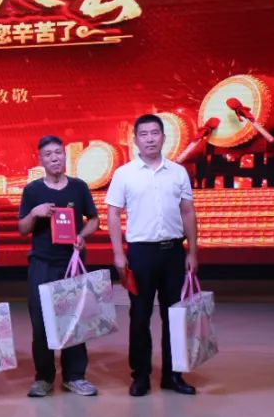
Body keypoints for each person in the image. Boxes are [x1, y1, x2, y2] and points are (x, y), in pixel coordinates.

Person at [106, 114, 199, 397]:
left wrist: (192, 252)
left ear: (163, 137)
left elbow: (188, 212)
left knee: (175, 316)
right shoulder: (124, 174)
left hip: (173, 253)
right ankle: (141, 376)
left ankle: (173, 375)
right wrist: (118, 253)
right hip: (140, 254)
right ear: (135, 140)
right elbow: (113, 214)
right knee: (140, 316)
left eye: (155, 133)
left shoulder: (178, 172)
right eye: (144, 134)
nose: (149, 139)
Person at [18, 135, 101, 397]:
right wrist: (35, 213)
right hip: (42, 263)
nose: (54, 158)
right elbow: (22, 229)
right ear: (41, 160)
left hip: (72, 262)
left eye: (58, 153)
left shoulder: (79, 187)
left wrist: (82, 235)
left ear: (65, 156)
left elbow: (94, 220)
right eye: (48, 154)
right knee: (41, 322)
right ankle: (44, 378)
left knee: (75, 320)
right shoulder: (32, 191)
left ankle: (74, 376)